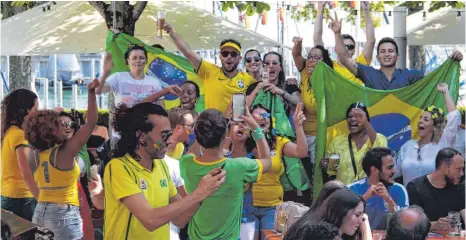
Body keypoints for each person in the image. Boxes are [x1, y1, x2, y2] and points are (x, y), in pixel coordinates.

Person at [89, 102, 226, 239]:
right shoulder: (119, 167)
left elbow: (180, 220)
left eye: (169, 134)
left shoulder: (161, 166)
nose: (169, 140)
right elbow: (150, 220)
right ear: (141, 136)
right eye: (164, 135)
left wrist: (204, 193)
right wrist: (198, 193)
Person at [180, 107, 272, 240]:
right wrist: (255, 128)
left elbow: (193, 151)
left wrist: (218, 123)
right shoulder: (239, 167)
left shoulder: (186, 164)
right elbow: (267, 162)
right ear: (225, 135)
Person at [23, 80, 99, 239]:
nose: (64, 126)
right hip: (64, 213)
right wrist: (91, 94)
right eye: (60, 124)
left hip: (40, 212)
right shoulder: (65, 153)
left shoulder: (33, 154)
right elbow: (91, 123)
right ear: (52, 129)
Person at [331, 16, 463, 90]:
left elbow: (436, 75)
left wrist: (452, 61)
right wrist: (337, 33)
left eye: (390, 51)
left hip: (403, 134)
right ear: (377, 57)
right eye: (383, 51)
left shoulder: (408, 75)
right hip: (376, 133)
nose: (387, 54)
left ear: (397, 56)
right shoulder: (369, 74)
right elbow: (343, 57)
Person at [164, 21, 256, 114]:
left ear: (239, 58)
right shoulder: (209, 71)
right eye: (225, 54)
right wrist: (170, 30)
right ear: (220, 57)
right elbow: (188, 52)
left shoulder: (248, 80)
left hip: (237, 127)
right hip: (213, 127)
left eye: (233, 54)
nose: (229, 57)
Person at [249, 104, 308, 237]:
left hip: (274, 208)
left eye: (266, 116)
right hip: (247, 207)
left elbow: (302, 151)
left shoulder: (279, 142)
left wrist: (298, 126)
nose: (263, 119)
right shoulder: (242, 142)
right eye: (258, 116)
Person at [395, 83, 461, 186]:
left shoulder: (442, 144)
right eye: (420, 118)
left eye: (425, 119)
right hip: (410, 200)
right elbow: (393, 172)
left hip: (435, 199)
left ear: (434, 127)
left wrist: (445, 92)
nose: (420, 121)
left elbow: (454, 117)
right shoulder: (407, 146)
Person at [321, 103, 388, 185]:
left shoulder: (379, 138)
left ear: (366, 119)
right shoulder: (337, 143)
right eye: (349, 117)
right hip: (346, 194)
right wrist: (326, 166)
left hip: (371, 192)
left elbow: (381, 152)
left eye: (358, 116)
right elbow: (331, 172)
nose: (353, 119)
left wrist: (365, 123)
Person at [313, 1, 375, 84]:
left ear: (354, 50)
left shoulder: (360, 65)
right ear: (336, 48)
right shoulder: (329, 66)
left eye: (350, 46)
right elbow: (317, 39)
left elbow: (371, 41)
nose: (346, 49)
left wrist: (366, 11)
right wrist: (320, 9)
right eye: (343, 45)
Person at [1, 89, 39, 221]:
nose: (37, 113)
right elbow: (26, 172)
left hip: (8, 194)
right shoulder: (20, 136)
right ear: (27, 111)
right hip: (22, 198)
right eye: (36, 108)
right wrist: (41, 199)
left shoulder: (8, 131)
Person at [348, 147, 409, 230]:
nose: (394, 171)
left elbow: (406, 224)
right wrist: (364, 198)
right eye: (389, 168)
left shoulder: (399, 189)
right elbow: (345, 221)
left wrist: (389, 200)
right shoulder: (351, 189)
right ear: (374, 170)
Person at [406, 148, 465, 232]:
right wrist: (434, 225)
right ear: (445, 167)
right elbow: (414, 224)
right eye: (458, 169)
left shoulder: (460, 186)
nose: (462, 173)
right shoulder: (415, 187)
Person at [289, 189, 367, 240]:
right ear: (341, 212)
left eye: (362, 216)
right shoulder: (325, 233)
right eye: (357, 215)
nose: (361, 221)